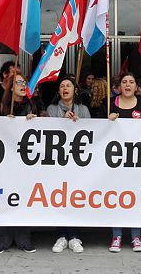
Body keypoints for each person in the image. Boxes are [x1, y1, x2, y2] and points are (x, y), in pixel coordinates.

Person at [107, 72, 141, 253]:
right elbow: (98, 128)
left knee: (135, 197)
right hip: (115, 161)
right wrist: (107, 120)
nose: (127, 85)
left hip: (137, 160)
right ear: (119, 86)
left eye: (131, 82)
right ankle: (116, 236)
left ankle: (136, 236)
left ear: (136, 86)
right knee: (117, 197)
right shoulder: (110, 104)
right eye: (124, 82)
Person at [0, 70, 37, 254]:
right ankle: (2, 239)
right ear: (11, 87)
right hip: (6, 161)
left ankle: (23, 239)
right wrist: (4, 121)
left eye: (24, 82)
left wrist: (33, 121)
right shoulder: (2, 106)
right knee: (6, 198)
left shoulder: (32, 105)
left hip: (25, 161)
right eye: (18, 82)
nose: (22, 85)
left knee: (22, 198)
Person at [47, 77, 89, 254]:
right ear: (59, 91)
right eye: (62, 86)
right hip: (59, 161)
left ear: (75, 90)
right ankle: (61, 235)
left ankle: (74, 236)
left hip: (77, 162)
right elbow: (49, 130)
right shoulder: (51, 109)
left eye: (68, 86)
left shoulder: (83, 110)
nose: (65, 88)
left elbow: (91, 132)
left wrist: (80, 124)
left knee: (74, 198)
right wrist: (62, 121)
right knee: (60, 198)